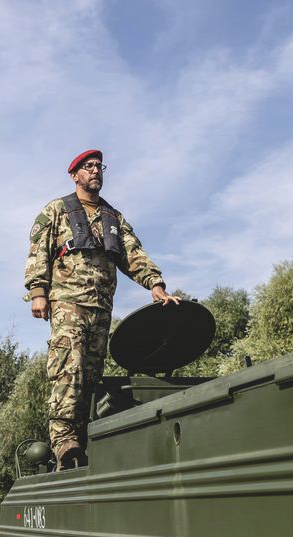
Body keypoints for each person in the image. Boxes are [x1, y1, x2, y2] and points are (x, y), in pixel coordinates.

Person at [24, 149, 179, 470]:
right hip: (68, 302)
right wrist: (38, 291)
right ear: (75, 175)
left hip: (101, 308)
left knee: (92, 374)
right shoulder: (57, 210)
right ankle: (63, 439)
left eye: (98, 166)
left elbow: (134, 255)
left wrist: (156, 284)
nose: (95, 171)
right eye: (88, 167)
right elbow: (38, 251)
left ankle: (83, 437)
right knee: (69, 367)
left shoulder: (113, 218)